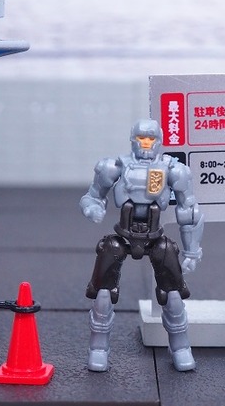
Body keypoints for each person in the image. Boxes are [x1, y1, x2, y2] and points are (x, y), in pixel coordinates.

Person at [79, 118, 204, 371]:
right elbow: (91, 197)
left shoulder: (173, 170)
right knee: (103, 294)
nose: (146, 143)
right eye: (141, 139)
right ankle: (98, 349)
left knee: (173, 295)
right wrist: (92, 208)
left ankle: (180, 347)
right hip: (122, 237)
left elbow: (189, 212)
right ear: (133, 140)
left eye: (151, 139)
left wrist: (191, 251)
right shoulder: (114, 166)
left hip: (156, 237)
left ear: (158, 141)